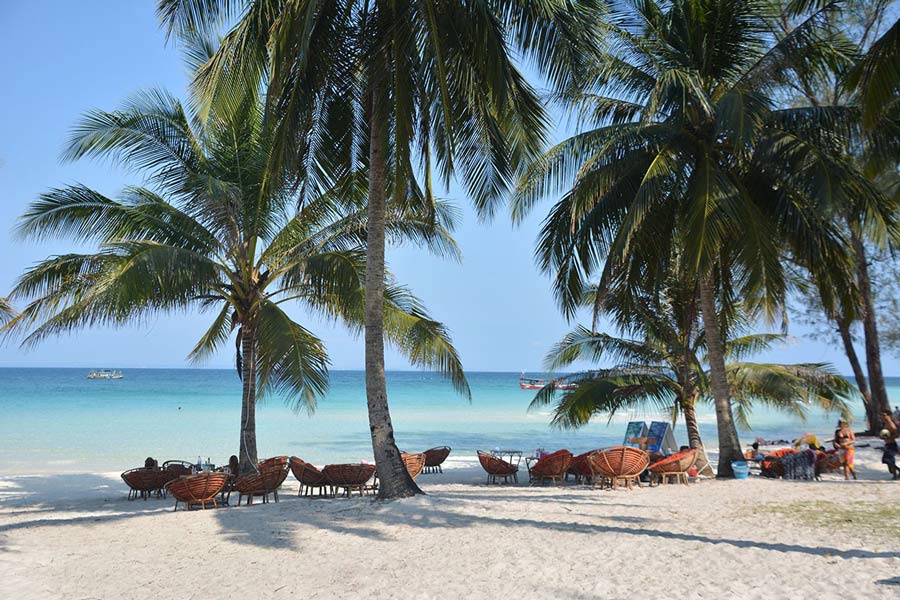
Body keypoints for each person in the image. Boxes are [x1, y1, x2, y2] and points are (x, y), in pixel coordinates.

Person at [881, 410, 899, 479]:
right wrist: (883, 437)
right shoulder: (886, 424)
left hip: (892, 445)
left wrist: (889, 437)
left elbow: (897, 435)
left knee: (890, 461)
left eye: (884, 415)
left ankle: (895, 475)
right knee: (886, 460)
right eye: (882, 415)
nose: (883, 417)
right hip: (887, 445)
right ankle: (896, 472)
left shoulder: (891, 424)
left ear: (889, 416)